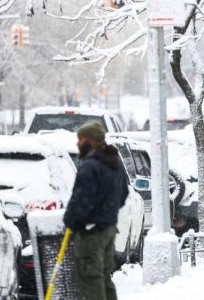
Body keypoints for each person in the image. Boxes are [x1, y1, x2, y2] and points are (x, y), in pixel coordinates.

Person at [63, 122, 129, 300]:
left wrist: (70, 220)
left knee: (90, 277)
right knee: (104, 276)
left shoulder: (90, 166)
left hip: (91, 232)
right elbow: (123, 194)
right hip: (109, 228)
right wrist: (107, 214)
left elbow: (80, 200)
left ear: (91, 141)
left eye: (81, 139)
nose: (78, 144)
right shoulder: (114, 163)